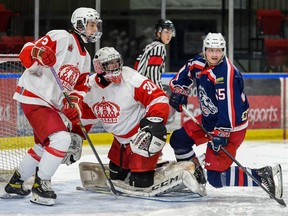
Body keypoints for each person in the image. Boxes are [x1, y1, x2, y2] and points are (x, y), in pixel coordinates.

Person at [3, 7, 102, 206]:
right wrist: (38, 52)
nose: (94, 29)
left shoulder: (86, 58)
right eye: (91, 25)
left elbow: (79, 88)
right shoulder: (61, 37)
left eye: (95, 26)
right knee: (61, 138)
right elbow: (27, 51)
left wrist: (73, 106)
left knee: (42, 147)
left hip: (50, 104)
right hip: (35, 96)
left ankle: (16, 183)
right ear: (79, 24)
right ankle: (41, 186)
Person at [77, 47, 206, 197]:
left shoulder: (131, 79)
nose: (115, 67)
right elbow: (86, 114)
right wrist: (76, 133)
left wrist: (153, 124)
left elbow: (159, 99)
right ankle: (153, 166)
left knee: (140, 182)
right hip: (120, 142)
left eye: (116, 63)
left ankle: (173, 168)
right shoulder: (90, 87)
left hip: (141, 138)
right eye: (109, 64)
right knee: (116, 176)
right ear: (99, 68)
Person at [168, 32, 283, 198]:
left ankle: (262, 175)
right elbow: (185, 73)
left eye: (219, 50)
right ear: (204, 50)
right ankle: (196, 175)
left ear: (224, 51)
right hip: (210, 119)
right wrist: (179, 90)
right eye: (211, 50)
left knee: (215, 178)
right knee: (178, 140)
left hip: (231, 126)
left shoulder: (225, 73)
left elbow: (228, 107)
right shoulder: (199, 62)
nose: (214, 54)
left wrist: (221, 133)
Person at [134, 19, 175, 90]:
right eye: (166, 32)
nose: (169, 36)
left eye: (171, 32)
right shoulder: (159, 47)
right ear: (159, 33)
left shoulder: (149, 46)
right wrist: (159, 91)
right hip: (147, 89)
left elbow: (137, 65)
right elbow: (153, 72)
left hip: (139, 87)